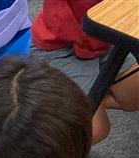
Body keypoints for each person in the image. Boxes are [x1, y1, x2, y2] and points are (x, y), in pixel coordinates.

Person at [30, 0, 139, 143]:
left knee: (133, 99)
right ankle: (52, 111)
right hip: (59, 45)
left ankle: (63, 105)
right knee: (94, 131)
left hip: (103, 36)